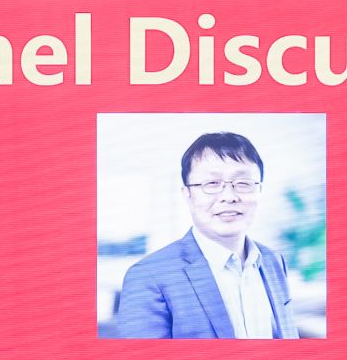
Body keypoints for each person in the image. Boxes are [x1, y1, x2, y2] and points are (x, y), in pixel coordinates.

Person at [113, 131, 301, 339]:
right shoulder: (147, 276)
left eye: (243, 183)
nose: (229, 196)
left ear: (260, 190)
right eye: (212, 184)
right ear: (188, 194)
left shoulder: (274, 261)